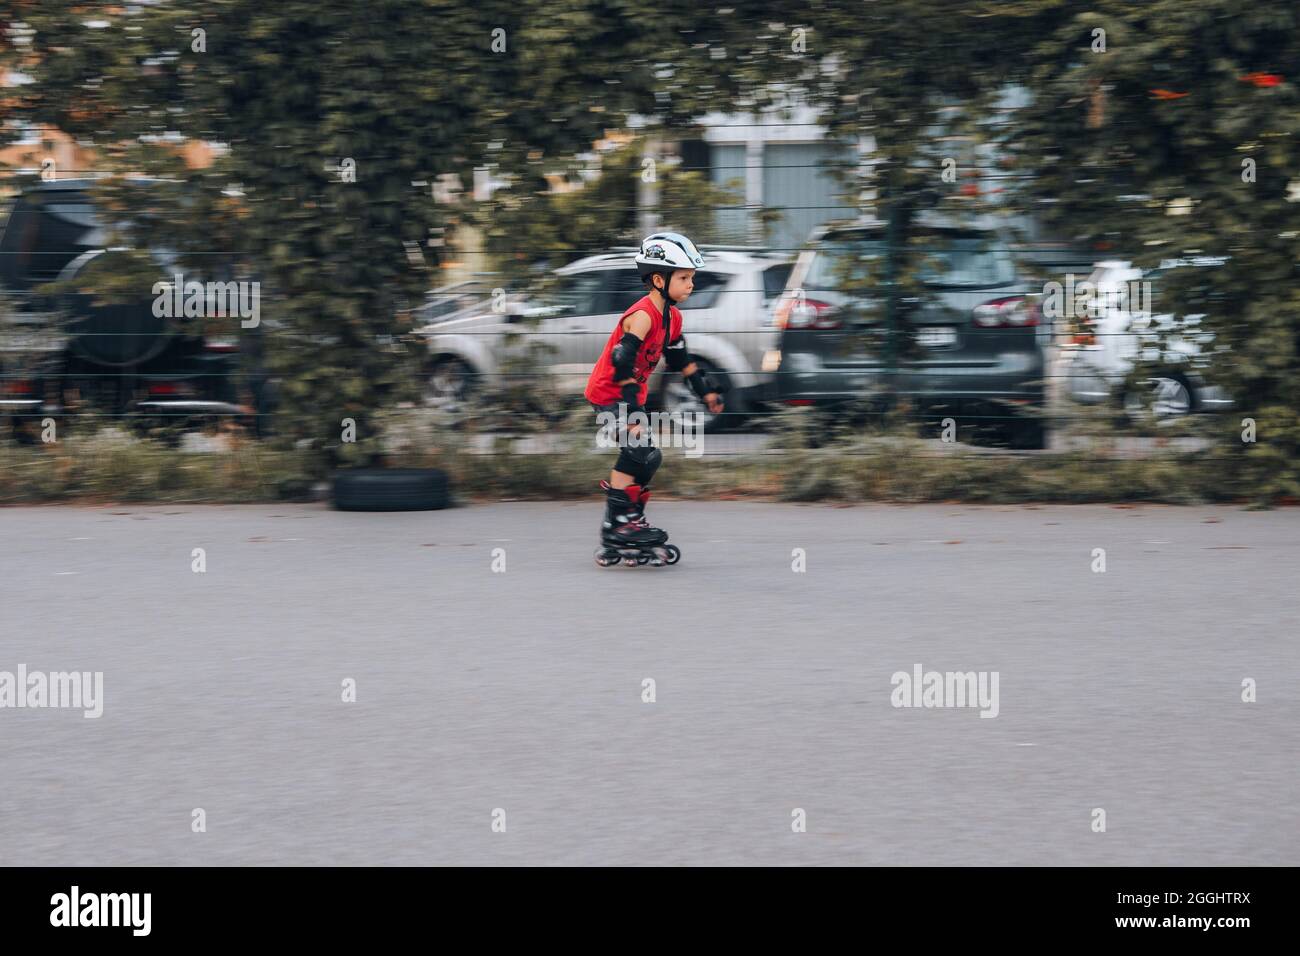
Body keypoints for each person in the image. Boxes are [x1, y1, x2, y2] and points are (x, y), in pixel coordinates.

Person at [583, 233, 726, 557]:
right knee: (638, 451)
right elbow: (622, 365)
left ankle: (626, 520)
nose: (691, 284)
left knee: (650, 457)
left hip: (630, 395)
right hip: (609, 392)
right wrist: (634, 416)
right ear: (659, 279)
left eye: (692, 277)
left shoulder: (672, 318)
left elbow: (681, 361)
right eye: (685, 278)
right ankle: (618, 525)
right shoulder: (643, 315)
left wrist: (706, 393)